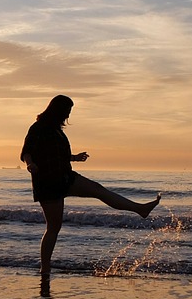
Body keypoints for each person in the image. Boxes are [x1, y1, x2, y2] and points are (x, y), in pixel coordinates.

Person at [20, 94, 160, 277]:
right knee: (54, 227)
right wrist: (30, 164)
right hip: (47, 182)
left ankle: (139, 209)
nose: (69, 114)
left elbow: (55, 153)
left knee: (98, 189)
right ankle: (45, 268)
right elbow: (26, 152)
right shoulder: (39, 127)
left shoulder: (56, 130)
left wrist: (74, 157)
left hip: (64, 176)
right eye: (67, 110)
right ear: (58, 109)